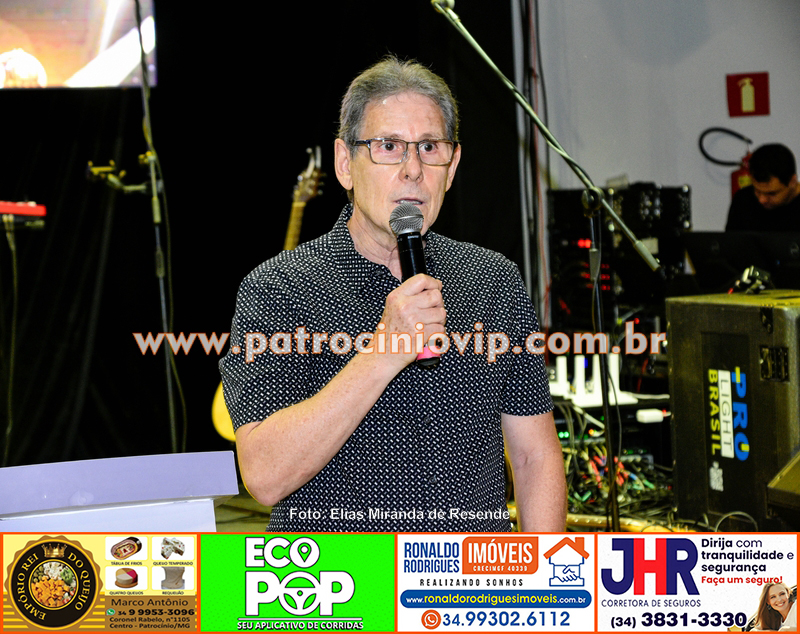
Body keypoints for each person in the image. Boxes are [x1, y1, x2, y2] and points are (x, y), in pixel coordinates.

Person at [220, 56, 566, 532]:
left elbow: (534, 457)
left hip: (470, 571)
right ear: (345, 163)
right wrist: (382, 352)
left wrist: (542, 572)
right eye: (388, 146)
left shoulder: (493, 280)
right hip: (340, 573)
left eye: (429, 147)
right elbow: (264, 476)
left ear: (452, 166)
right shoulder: (278, 289)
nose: (413, 170)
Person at [726, 144, 800, 231]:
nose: (762, 200)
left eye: (771, 193)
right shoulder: (743, 200)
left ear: (792, 182)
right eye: (757, 190)